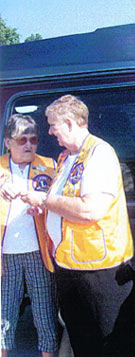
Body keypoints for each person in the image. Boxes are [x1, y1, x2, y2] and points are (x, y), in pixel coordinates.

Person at [21, 94, 135, 356]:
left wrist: (46, 200)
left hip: (99, 271)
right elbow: (62, 202)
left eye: (53, 125)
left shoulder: (100, 154)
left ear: (71, 123)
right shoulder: (67, 157)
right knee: (84, 342)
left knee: (111, 345)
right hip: (70, 267)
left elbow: (90, 209)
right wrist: (45, 206)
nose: (50, 131)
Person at [0, 114, 58, 357]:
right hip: (5, 257)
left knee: (44, 315)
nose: (28, 145)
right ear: (7, 142)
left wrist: (43, 207)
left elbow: (60, 203)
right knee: (4, 316)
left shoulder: (50, 165)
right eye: (21, 139)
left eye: (33, 140)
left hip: (38, 253)